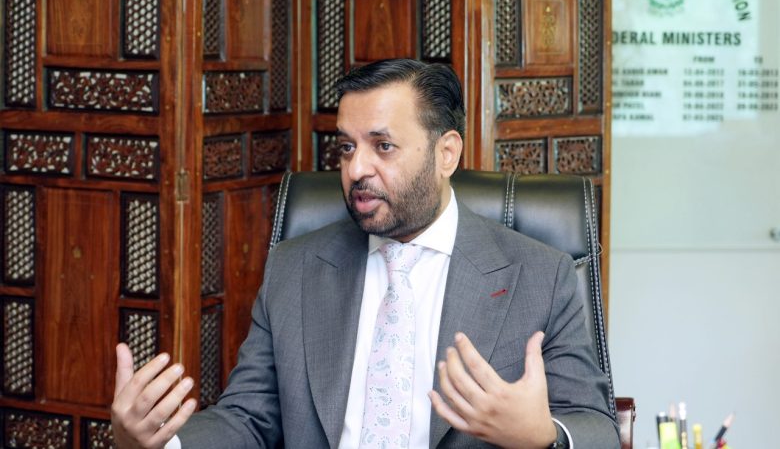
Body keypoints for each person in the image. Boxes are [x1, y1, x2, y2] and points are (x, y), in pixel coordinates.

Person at [111, 59, 619, 449]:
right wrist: (160, 443)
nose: (356, 170)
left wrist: (542, 434)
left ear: (446, 153)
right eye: (347, 148)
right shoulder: (295, 268)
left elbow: (596, 427)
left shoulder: (540, 275)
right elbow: (248, 418)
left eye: (383, 146)